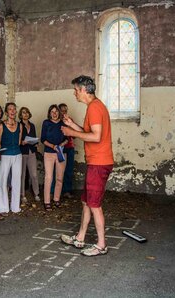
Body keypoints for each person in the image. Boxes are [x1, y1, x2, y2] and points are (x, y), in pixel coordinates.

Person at [61, 75, 114, 257]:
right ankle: (80, 238)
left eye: (76, 89)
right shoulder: (95, 106)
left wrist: (70, 132)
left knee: (94, 204)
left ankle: (101, 245)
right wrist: (73, 125)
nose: (74, 93)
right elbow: (89, 132)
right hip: (96, 162)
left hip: (99, 162)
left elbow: (96, 137)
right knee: (86, 201)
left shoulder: (94, 108)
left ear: (84, 90)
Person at [0, 102, 23, 214]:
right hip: (5, 155)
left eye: (14, 109)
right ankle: (3, 207)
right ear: (6, 112)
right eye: (10, 109)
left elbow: (19, 142)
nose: (12, 111)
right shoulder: (1, 126)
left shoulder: (20, 125)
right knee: (3, 181)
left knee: (16, 181)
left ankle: (15, 207)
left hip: (17, 154)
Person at [41, 105, 67, 211]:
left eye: (56, 111)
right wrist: (53, 146)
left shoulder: (63, 123)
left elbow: (67, 138)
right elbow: (43, 139)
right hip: (49, 153)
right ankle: (47, 201)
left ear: (59, 113)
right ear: (49, 113)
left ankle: (56, 199)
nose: (54, 113)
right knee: (48, 177)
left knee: (59, 178)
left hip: (61, 153)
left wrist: (60, 145)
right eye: (52, 111)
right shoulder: (46, 123)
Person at [51, 103, 75, 199]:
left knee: (68, 170)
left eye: (66, 110)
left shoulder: (70, 121)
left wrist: (70, 127)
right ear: (58, 111)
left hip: (69, 148)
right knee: (55, 171)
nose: (64, 112)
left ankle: (67, 190)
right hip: (59, 148)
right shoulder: (56, 121)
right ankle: (53, 191)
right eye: (62, 110)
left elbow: (74, 136)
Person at [19, 107, 40, 203]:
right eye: (23, 113)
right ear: (20, 114)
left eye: (27, 112)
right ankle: (22, 195)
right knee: (22, 175)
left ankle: (36, 193)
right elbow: (17, 139)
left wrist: (36, 143)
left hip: (31, 151)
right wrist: (21, 142)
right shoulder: (19, 125)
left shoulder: (32, 125)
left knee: (34, 174)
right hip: (22, 151)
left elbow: (34, 137)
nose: (26, 114)